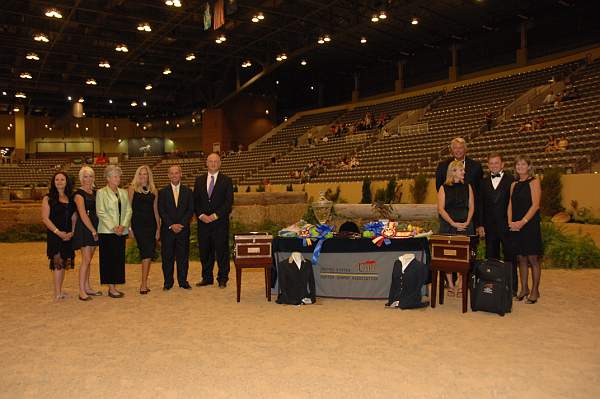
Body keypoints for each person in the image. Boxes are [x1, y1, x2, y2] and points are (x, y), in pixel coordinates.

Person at [477, 154, 517, 295]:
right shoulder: (483, 182)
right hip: (489, 227)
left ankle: (512, 288)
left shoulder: (511, 180)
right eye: (491, 163)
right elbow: (480, 205)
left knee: (510, 257)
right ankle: (492, 287)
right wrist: (480, 225)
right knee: (491, 257)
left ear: (502, 164)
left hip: (507, 226)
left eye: (496, 163)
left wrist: (515, 222)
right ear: (488, 166)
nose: (494, 165)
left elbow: (515, 203)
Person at [194, 153, 234, 288]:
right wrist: (201, 215)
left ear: (220, 163)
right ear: (206, 163)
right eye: (210, 161)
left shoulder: (227, 180)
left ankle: (223, 278)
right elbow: (196, 202)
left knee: (222, 251)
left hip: (220, 223)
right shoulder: (198, 180)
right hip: (203, 223)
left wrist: (215, 216)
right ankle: (207, 277)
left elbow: (228, 203)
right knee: (205, 251)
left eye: (216, 161)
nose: (213, 163)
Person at [437, 160, 475, 296]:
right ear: (453, 171)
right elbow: (441, 209)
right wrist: (453, 223)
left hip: (466, 226)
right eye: (461, 170)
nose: (464, 172)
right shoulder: (443, 188)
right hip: (448, 226)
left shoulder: (468, 187)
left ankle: (460, 283)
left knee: (463, 257)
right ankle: (451, 285)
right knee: (448, 257)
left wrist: (467, 222)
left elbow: (471, 207)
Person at [508, 156, 542, 304]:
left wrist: (523, 222)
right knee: (521, 258)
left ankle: (535, 290)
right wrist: (510, 221)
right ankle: (524, 289)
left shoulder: (534, 182)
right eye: (518, 164)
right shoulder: (514, 184)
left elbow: (535, 205)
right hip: (516, 225)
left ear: (529, 166)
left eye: (523, 164)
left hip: (530, 224)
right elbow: (510, 204)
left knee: (532, 258)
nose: (520, 166)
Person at [96, 165, 132, 298]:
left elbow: (128, 210)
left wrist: (123, 226)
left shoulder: (123, 192)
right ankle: (111, 288)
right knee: (108, 259)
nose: (118, 178)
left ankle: (115, 285)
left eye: (119, 176)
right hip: (107, 232)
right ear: (108, 178)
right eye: (115, 176)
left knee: (118, 259)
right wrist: (113, 227)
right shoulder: (101, 192)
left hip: (121, 232)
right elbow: (101, 212)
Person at [41, 172, 77, 300]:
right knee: (58, 263)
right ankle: (57, 293)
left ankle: (60, 290)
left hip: (68, 235)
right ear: (53, 182)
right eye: (57, 179)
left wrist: (72, 232)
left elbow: (74, 217)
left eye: (62, 179)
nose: (60, 181)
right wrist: (58, 233)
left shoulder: (70, 198)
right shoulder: (48, 198)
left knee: (64, 262)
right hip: (55, 235)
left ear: (66, 182)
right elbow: (45, 219)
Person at [158, 165, 194, 290]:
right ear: (168, 175)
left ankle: (183, 281)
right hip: (167, 230)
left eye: (176, 173)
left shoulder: (188, 191)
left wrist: (181, 224)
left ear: (181, 174)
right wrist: (171, 225)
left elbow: (190, 210)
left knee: (183, 257)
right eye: (171, 173)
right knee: (167, 257)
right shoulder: (162, 192)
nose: (174, 175)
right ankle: (168, 282)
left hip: (183, 230)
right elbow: (161, 210)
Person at [435, 137, 483, 227]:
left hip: (468, 217)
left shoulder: (476, 166)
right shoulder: (442, 166)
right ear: (451, 150)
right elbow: (439, 188)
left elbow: (479, 193)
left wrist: (478, 222)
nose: (458, 150)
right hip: (448, 218)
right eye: (455, 148)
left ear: (465, 149)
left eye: (460, 147)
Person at [128, 165, 160, 295]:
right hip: (138, 225)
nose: (142, 176)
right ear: (137, 175)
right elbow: (128, 209)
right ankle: (143, 283)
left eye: (145, 174)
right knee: (145, 252)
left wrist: (158, 228)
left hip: (151, 225)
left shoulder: (154, 190)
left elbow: (156, 210)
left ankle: (144, 283)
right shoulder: (132, 189)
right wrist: (129, 227)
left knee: (147, 253)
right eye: (140, 174)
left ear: (149, 176)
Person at [72, 166, 101, 300]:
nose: (88, 179)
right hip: (85, 228)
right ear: (81, 178)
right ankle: (81, 291)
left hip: (95, 226)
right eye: (85, 176)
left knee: (89, 260)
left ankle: (88, 287)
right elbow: (82, 215)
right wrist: (93, 230)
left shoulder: (95, 192)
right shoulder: (79, 194)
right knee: (86, 260)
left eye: (90, 176)